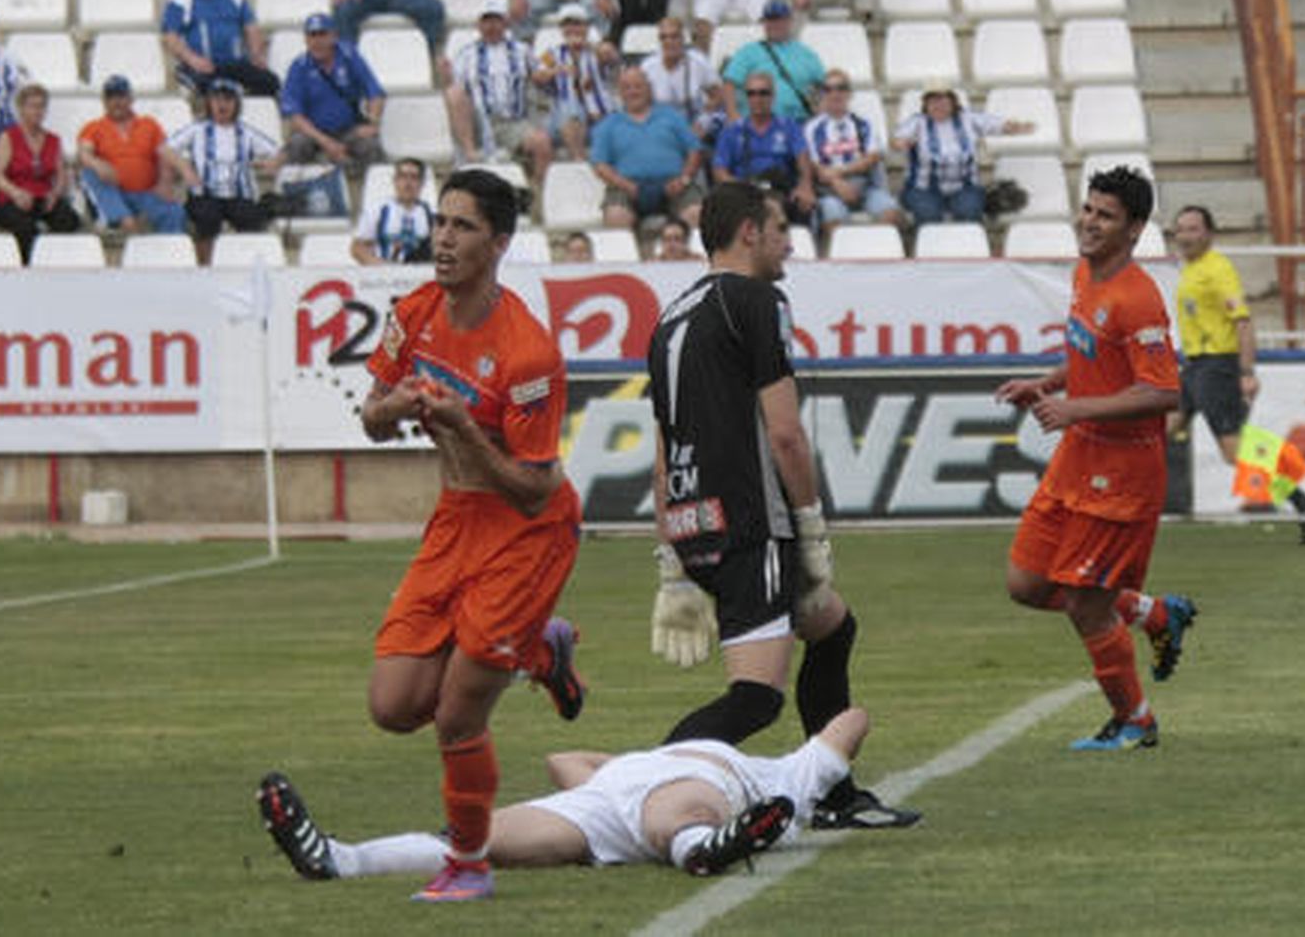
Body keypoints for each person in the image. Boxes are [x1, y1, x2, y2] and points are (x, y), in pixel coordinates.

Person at [646, 180, 919, 828]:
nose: (788, 243)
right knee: (754, 699)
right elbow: (787, 433)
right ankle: (642, 788)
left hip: (694, 518)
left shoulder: (668, 317)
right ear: (748, 232)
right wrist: (812, 526)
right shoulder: (757, 300)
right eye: (778, 230)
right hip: (752, 521)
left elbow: (662, 449)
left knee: (832, 627)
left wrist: (670, 556)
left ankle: (832, 791)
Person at [356, 169, 588, 902]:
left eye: (462, 227)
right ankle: (535, 647)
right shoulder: (414, 312)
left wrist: (462, 426)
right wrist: (395, 405)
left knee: (458, 713)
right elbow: (370, 414)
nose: (443, 239)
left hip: (527, 531)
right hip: (455, 518)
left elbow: (534, 487)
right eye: (441, 223)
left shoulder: (526, 351)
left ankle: (470, 863)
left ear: (499, 242)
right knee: (393, 705)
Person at [997, 167, 1198, 751]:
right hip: (1078, 457)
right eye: (1088, 209)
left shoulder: (1138, 299)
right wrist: (1045, 382)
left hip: (1124, 470)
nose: (1089, 222)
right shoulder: (1086, 273)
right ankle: (1154, 613)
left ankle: (1134, 720)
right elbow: (1091, 357)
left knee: (1087, 604)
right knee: (1026, 583)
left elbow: (1163, 391)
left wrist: (1076, 407)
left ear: (1134, 231)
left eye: (1105, 215)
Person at [258, 707, 871, 883]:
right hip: (600, 807)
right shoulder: (638, 762)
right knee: (478, 839)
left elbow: (854, 720)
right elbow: (561, 760)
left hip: (701, 795)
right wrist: (614, 768)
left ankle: (708, 847)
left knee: (677, 814)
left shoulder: (782, 776)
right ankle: (338, 859)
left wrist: (819, 771)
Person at [1170, 206, 1305, 530]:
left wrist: (1247, 372)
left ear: (1209, 233)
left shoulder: (1217, 269)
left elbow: (1243, 322)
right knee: (1159, 431)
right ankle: (1117, 510)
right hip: (1194, 366)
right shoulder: (1191, 269)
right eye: (1180, 229)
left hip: (1216, 366)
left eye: (1193, 229)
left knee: (1235, 452)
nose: (1185, 236)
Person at [163, 79, 283, 263]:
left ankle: (245, 264)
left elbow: (278, 151)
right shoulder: (197, 129)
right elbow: (165, 149)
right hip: (205, 193)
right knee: (206, 218)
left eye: (228, 100)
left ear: (236, 104)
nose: (222, 105)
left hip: (239, 194)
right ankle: (205, 267)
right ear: (209, 103)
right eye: (216, 99)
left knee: (252, 219)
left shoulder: (246, 133)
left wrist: (270, 163)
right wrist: (185, 169)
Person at [891, 86, 1033, 226]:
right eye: (932, 102)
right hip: (922, 188)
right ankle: (930, 248)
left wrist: (1016, 127)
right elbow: (897, 140)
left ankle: (969, 247)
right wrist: (901, 143)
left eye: (943, 102)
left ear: (953, 103)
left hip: (964, 187)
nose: (938, 106)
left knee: (969, 211)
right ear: (926, 105)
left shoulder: (968, 118)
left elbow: (997, 124)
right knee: (929, 214)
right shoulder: (917, 122)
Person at [445, 0, 551, 185]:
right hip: (478, 121)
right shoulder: (466, 54)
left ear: (505, 23)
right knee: (454, 93)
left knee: (541, 142)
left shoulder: (522, 51)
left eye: (496, 21)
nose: (491, 26)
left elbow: (540, 73)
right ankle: (470, 152)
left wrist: (548, 73)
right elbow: (457, 90)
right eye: (487, 21)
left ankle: (537, 192)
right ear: (479, 25)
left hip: (512, 121)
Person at [589, 67, 702, 231]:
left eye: (638, 86)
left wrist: (684, 179)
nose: (633, 92)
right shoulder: (608, 124)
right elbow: (600, 165)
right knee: (616, 215)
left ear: (649, 89)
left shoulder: (671, 116)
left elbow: (695, 151)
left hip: (674, 184)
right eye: (627, 87)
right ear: (620, 93)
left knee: (696, 213)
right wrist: (627, 186)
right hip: (627, 187)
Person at [161, 0, 279, 100]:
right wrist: (193, 60)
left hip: (233, 63)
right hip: (202, 66)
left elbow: (250, 25)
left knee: (270, 82)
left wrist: (256, 54)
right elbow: (170, 36)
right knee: (208, 89)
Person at [78, 75, 187, 236]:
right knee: (89, 172)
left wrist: (165, 181)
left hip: (146, 192)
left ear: (130, 98)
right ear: (104, 101)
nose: (116, 102)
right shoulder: (93, 127)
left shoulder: (149, 124)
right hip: (114, 192)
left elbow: (166, 155)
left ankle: (168, 254)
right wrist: (97, 164)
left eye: (121, 96)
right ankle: (121, 218)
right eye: (111, 97)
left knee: (175, 212)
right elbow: (84, 153)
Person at [0, 83, 81, 264]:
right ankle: (27, 267)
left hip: (41, 196)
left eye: (41, 106)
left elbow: (61, 175)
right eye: (32, 106)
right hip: (12, 197)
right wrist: (16, 193)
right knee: (25, 227)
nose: (37, 111)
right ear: (21, 109)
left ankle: (56, 264)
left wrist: (55, 194)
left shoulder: (53, 140)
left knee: (68, 220)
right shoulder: (8, 137)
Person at [280, 12, 386, 169]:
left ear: (334, 36)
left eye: (322, 35)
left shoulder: (349, 57)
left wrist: (372, 123)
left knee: (370, 145)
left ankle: (368, 189)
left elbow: (375, 92)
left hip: (348, 130)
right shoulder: (298, 67)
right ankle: (300, 188)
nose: (317, 41)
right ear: (306, 39)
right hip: (313, 132)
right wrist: (326, 142)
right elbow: (295, 116)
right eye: (312, 36)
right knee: (297, 145)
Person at [803, 69, 901, 235]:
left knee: (892, 213)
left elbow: (872, 157)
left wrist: (839, 172)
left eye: (841, 88)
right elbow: (815, 166)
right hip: (830, 190)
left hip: (865, 187)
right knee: (831, 218)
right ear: (823, 94)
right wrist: (837, 183)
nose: (835, 94)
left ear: (849, 93)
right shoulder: (812, 128)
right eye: (829, 89)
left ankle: (877, 253)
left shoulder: (863, 124)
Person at [712, 73, 815, 228]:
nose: (757, 98)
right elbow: (720, 171)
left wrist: (805, 186)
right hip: (743, 190)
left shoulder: (789, 126)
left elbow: (803, 159)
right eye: (751, 93)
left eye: (763, 93)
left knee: (795, 204)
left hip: (779, 189)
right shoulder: (732, 131)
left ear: (773, 96)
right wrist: (740, 188)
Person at [532, 2, 618, 162]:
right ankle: (578, 159)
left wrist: (586, 45)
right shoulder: (553, 53)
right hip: (562, 121)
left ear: (586, 27)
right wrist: (555, 71)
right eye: (568, 24)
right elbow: (537, 76)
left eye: (577, 24)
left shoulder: (597, 50)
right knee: (570, 107)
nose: (573, 29)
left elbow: (610, 55)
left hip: (598, 116)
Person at [720, 0, 824, 124]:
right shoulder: (748, 52)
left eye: (779, 19)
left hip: (797, 121)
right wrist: (733, 116)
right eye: (769, 20)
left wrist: (821, 112)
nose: (774, 24)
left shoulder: (806, 54)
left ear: (789, 21)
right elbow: (729, 84)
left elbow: (825, 84)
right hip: (758, 121)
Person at [643, 17, 722, 133]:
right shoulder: (647, 67)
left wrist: (703, 121)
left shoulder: (698, 62)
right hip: (658, 129)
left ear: (683, 39)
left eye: (674, 37)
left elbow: (718, 95)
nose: (669, 42)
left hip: (692, 126)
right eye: (664, 37)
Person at [352, 157, 433, 265]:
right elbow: (358, 248)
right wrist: (382, 266)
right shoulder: (377, 211)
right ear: (395, 180)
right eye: (403, 176)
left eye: (414, 178)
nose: (408, 183)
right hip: (385, 276)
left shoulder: (432, 214)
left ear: (422, 183)